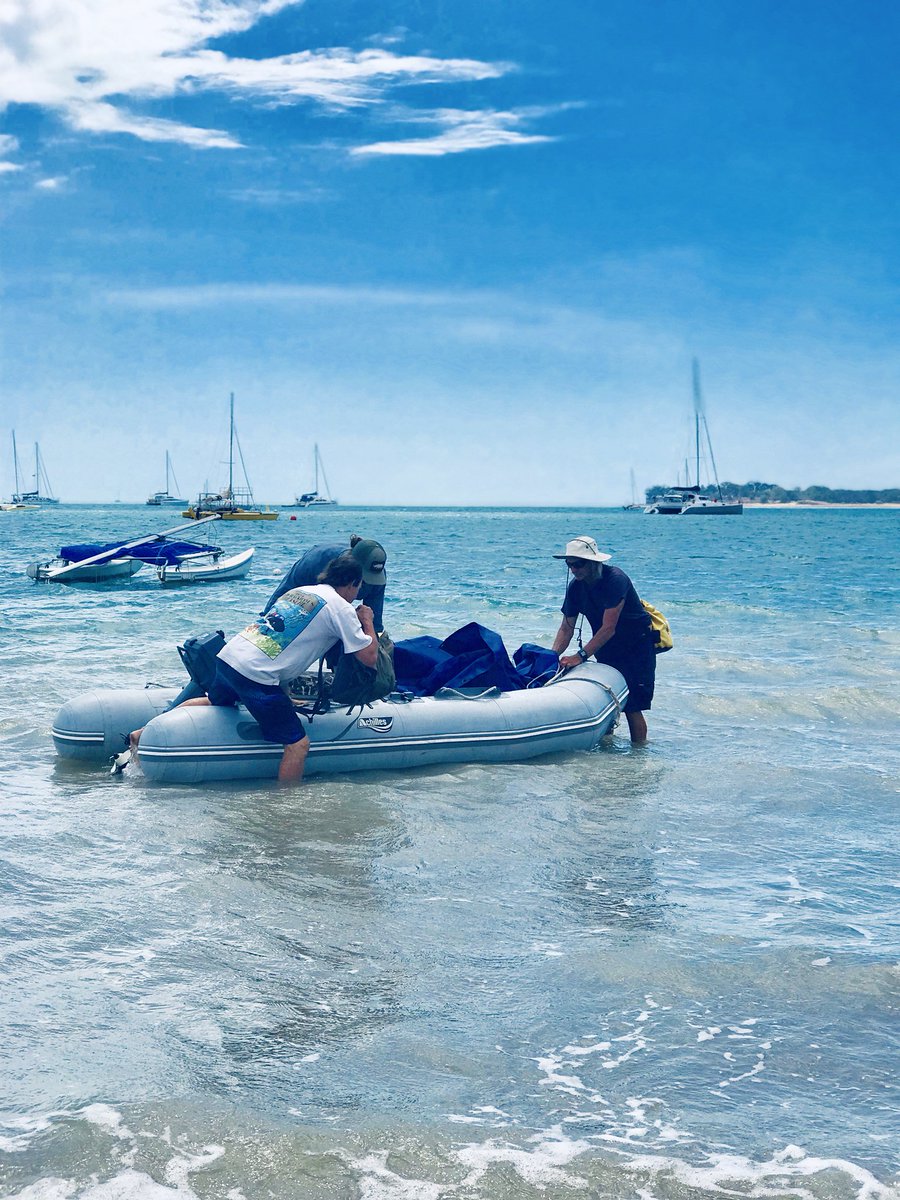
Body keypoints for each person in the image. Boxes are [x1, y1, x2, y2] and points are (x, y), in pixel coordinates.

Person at [128, 555, 377, 784]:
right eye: (358, 587)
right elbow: (369, 657)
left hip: (229, 658)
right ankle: (284, 807)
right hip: (255, 675)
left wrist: (285, 697)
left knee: (214, 701)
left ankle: (142, 732)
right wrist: (367, 621)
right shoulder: (340, 607)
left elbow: (281, 642)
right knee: (298, 745)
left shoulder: (299, 592)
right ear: (352, 583)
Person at [550, 535, 655, 744]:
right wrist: (551, 657)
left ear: (593, 562)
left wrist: (580, 656)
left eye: (578, 564)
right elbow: (566, 628)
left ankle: (639, 756)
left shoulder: (615, 579)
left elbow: (608, 628)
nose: (573, 569)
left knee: (632, 706)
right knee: (608, 700)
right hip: (607, 649)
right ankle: (607, 756)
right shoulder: (575, 587)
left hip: (636, 648)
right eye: (569, 564)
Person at [264, 535, 387, 632]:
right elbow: (280, 598)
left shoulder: (377, 574)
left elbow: (374, 625)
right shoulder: (315, 561)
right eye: (363, 579)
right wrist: (265, 623)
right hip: (309, 573)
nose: (365, 583)